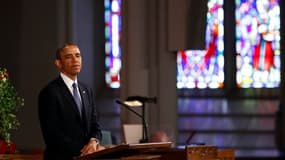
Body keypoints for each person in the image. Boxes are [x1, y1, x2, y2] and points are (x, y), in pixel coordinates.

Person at [38, 43, 104, 160]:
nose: (75, 60)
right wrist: (84, 150)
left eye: (78, 55)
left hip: (88, 157)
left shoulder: (87, 90)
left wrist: (93, 142)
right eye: (69, 57)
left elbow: (95, 125)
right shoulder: (50, 92)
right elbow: (52, 134)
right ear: (58, 63)